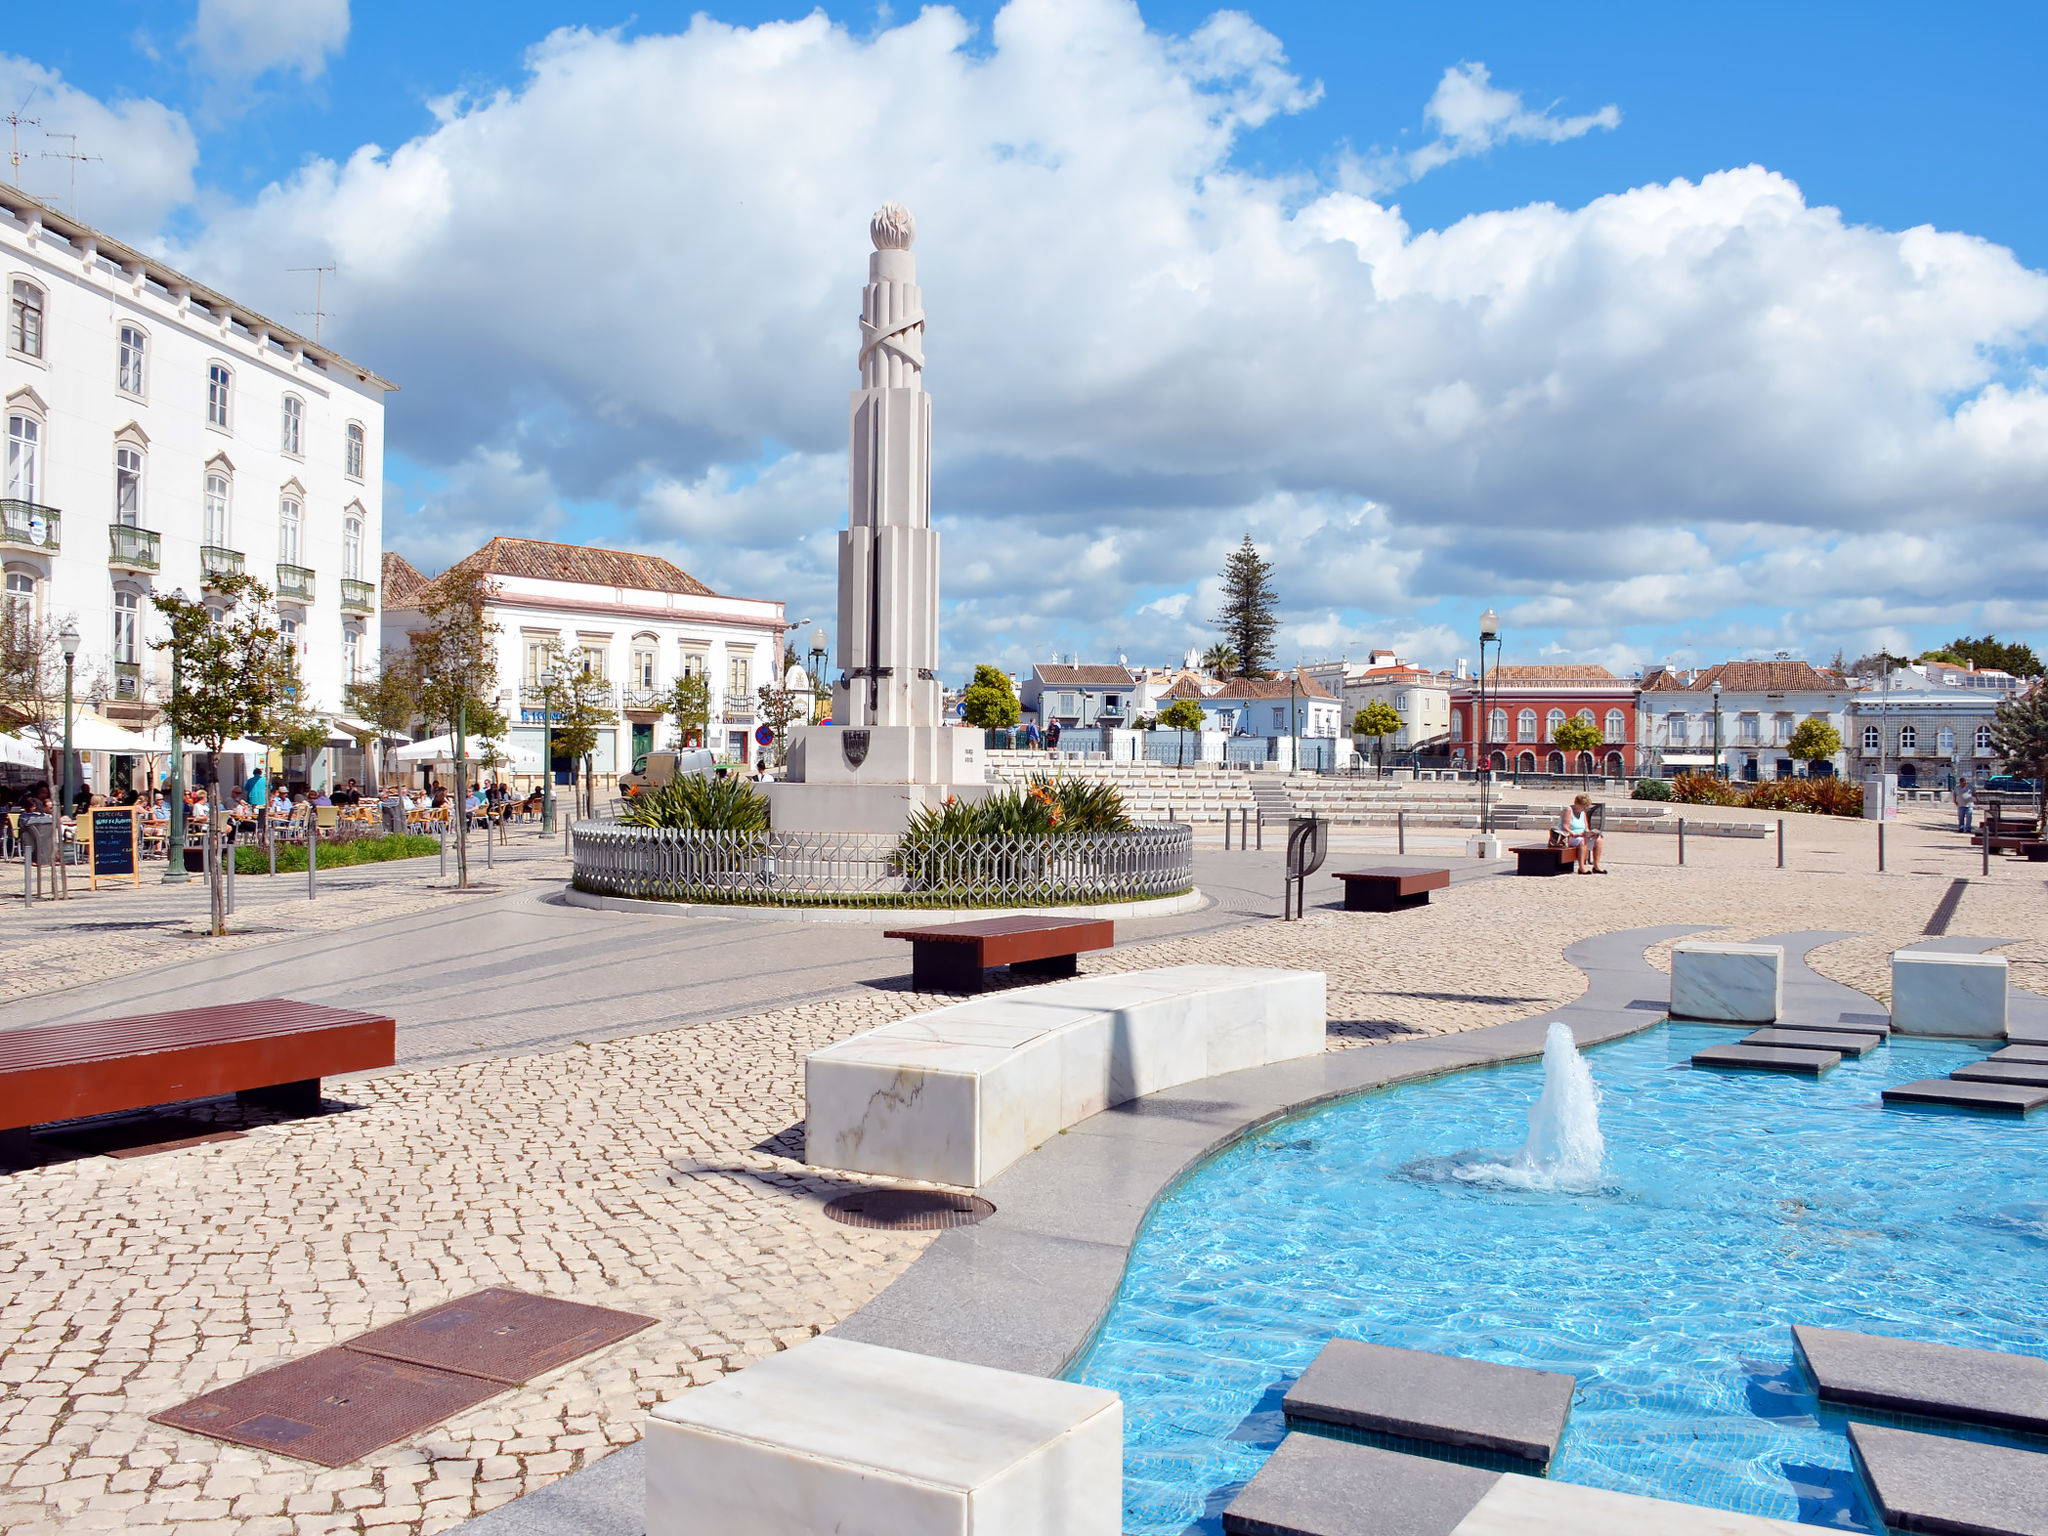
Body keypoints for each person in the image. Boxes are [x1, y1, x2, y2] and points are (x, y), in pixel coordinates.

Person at [1562, 794, 1607, 874]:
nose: (1584, 808)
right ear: (1577, 804)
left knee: (1598, 839)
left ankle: (1596, 865)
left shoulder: (1583, 813)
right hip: (1568, 836)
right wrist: (1574, 834)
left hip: (1581, 835)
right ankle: (1581, 867)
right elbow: (1565, 827)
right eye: (1583, 806)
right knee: (1582, 841)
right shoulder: (1568, 810)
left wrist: (1590, 833)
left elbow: (1586, 827)